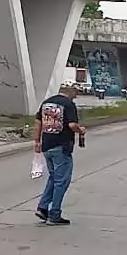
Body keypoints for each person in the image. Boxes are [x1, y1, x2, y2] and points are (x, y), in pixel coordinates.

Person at [33, 83, 86, 225]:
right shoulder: (68, 105)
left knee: (54, 177)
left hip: (47, 146)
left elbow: (38, 123)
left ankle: (43, 208)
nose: (77, 95)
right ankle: (54, 214)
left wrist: (37, 141)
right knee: (62, 181)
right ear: (70, 91)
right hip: (61, 147)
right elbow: (72, 125)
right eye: (76, 92)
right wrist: (81, 130)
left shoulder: (46, 103)